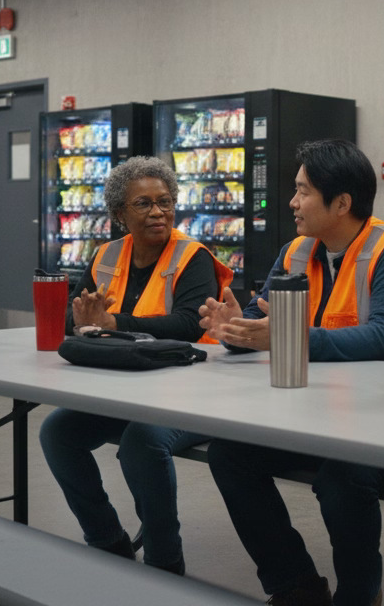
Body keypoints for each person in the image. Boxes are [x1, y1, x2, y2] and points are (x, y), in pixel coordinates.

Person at [199, 139, 384, 606]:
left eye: (303, 191)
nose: (292, 202)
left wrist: (292, 337)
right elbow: (259, 318)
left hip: (383, 421)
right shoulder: (294, 252)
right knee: (230, 455)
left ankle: (360, 594)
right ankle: (295, 585)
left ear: (342, 203)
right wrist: (233, 330)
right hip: (307, 414)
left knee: (342, 480)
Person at [38, 156, 232, 576]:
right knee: (57, 432)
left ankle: (165, 562)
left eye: (165, 201)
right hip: (126, 390)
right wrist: (84, 320)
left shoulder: (192, 257)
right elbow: (78, 314)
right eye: (143, 204)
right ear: (119, 214)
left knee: (143, 443)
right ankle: (107, 540)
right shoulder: (106, 256)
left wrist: (111, 324)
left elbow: (186, 325)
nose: (158, 212)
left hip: (196, 393)